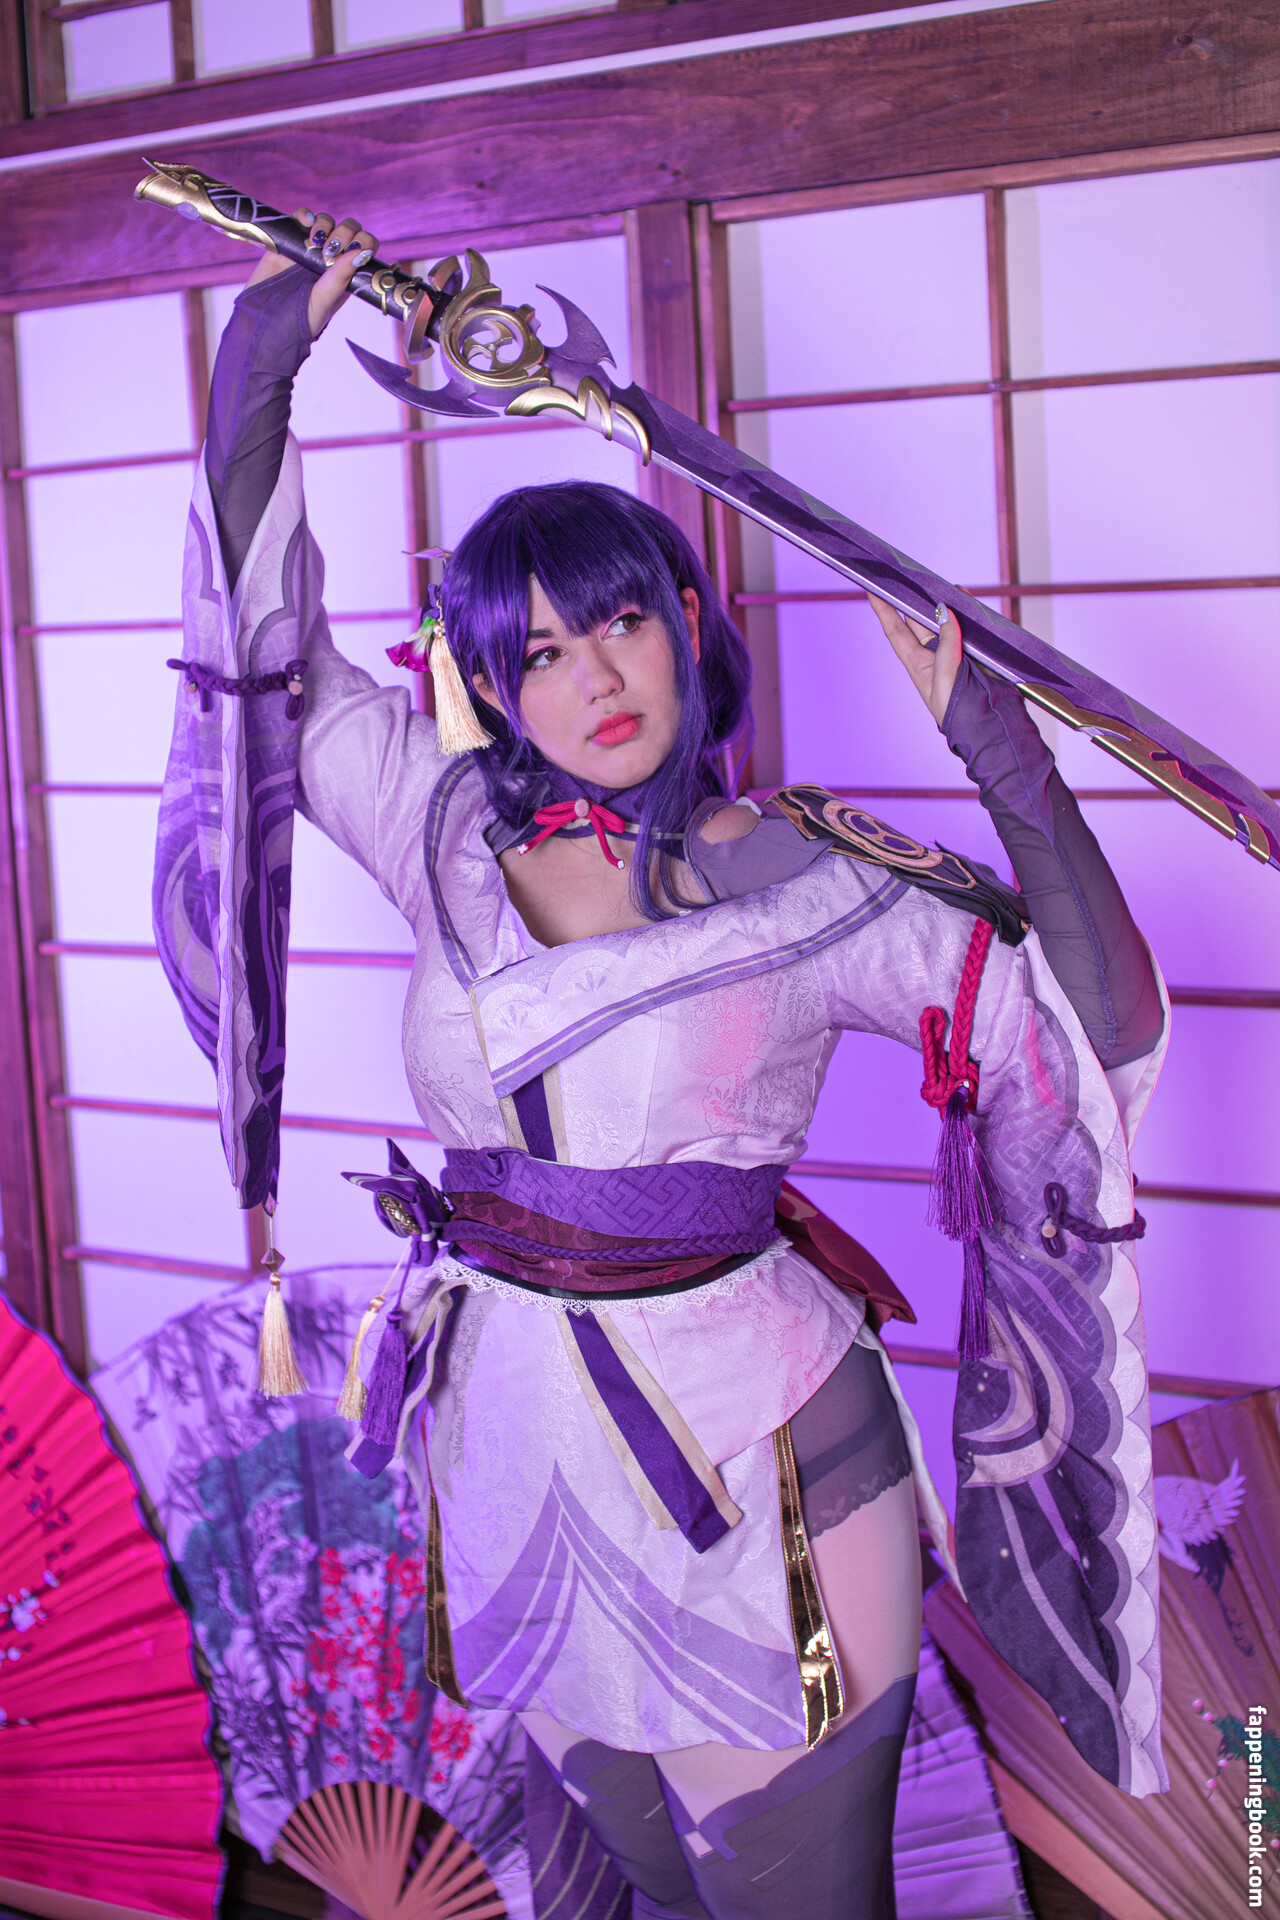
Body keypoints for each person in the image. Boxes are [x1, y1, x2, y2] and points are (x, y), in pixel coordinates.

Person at [166, 208, 1168, 1919]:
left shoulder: (815, 876)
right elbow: (267, 670)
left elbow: (1092, 1024)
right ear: (487, 686)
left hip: (758, 1454)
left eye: (619, 620)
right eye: (537, 652)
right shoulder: (437, 823)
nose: (593, 678)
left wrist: (999, 749)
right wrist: (262, 365)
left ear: (687, 624)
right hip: (507, 1447)